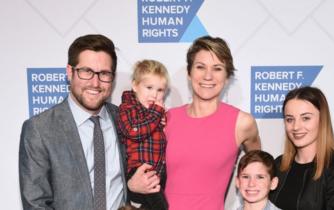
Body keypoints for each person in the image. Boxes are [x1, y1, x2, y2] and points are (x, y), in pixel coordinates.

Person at [19, 34, 160, 210]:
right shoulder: (40, 129)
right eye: (86, 71)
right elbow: (35, 204)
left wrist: (134, 188)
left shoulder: (126, 121)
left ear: (112, 77)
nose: (95, 82)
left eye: (104, 74)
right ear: (70, 72)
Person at [164, 35, 261, 210]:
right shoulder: (167, 119)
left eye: (217, 68)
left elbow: (260, 170)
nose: (208, 76)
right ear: (189, 72)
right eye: (200, 67)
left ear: (227, 76)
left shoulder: (242, 123)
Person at [269, 86, 334, 210]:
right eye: (290, 119)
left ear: (322, 120)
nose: (296, 127)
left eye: (305, 118)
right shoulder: (278, 165)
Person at [117, 59, 169, 210]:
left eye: (160, 90)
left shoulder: (156, 113)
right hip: (138, 171)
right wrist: (156, 114)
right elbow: (134, 132)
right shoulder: (128, 107)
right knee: (162, 207)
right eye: (149, 87)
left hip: (156, 173)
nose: (154, 94)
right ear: (135, 85)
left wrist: (162, 122)